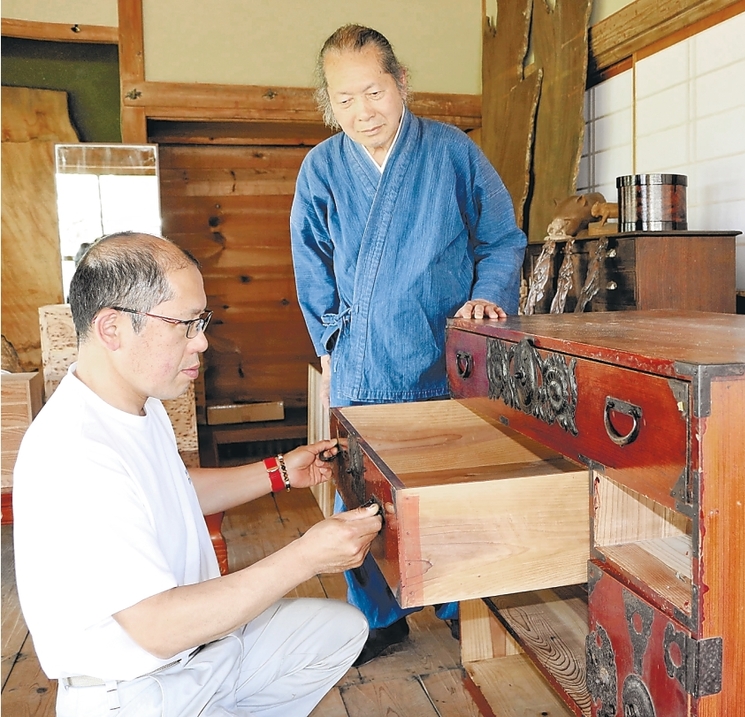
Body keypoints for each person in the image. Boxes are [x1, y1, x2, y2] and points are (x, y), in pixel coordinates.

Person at [13, 232, 384, 717]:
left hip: (200, 657)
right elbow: (158, 627)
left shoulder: (136, 405)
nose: (203, 341)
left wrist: (279, 472)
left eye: (201, 322)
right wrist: (307, 556)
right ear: (111, 329)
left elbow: (174, 491)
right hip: (135, 691)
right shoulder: (75, 451)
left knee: (339, 631)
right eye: (185, 324)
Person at [290, 24, 526, 665]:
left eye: (374, 91)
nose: (363, 111)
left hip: (446, 352)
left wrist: (488, 297)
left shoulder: (452, 151)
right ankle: (380, 617)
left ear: (400, 84)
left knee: (451, 488)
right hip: (365, 361)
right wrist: (334, 336)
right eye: (344, 99)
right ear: (328, 105)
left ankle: (458, 604)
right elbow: (310, 263)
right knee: (361, 495)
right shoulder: (322, 168)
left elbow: (501, 239)